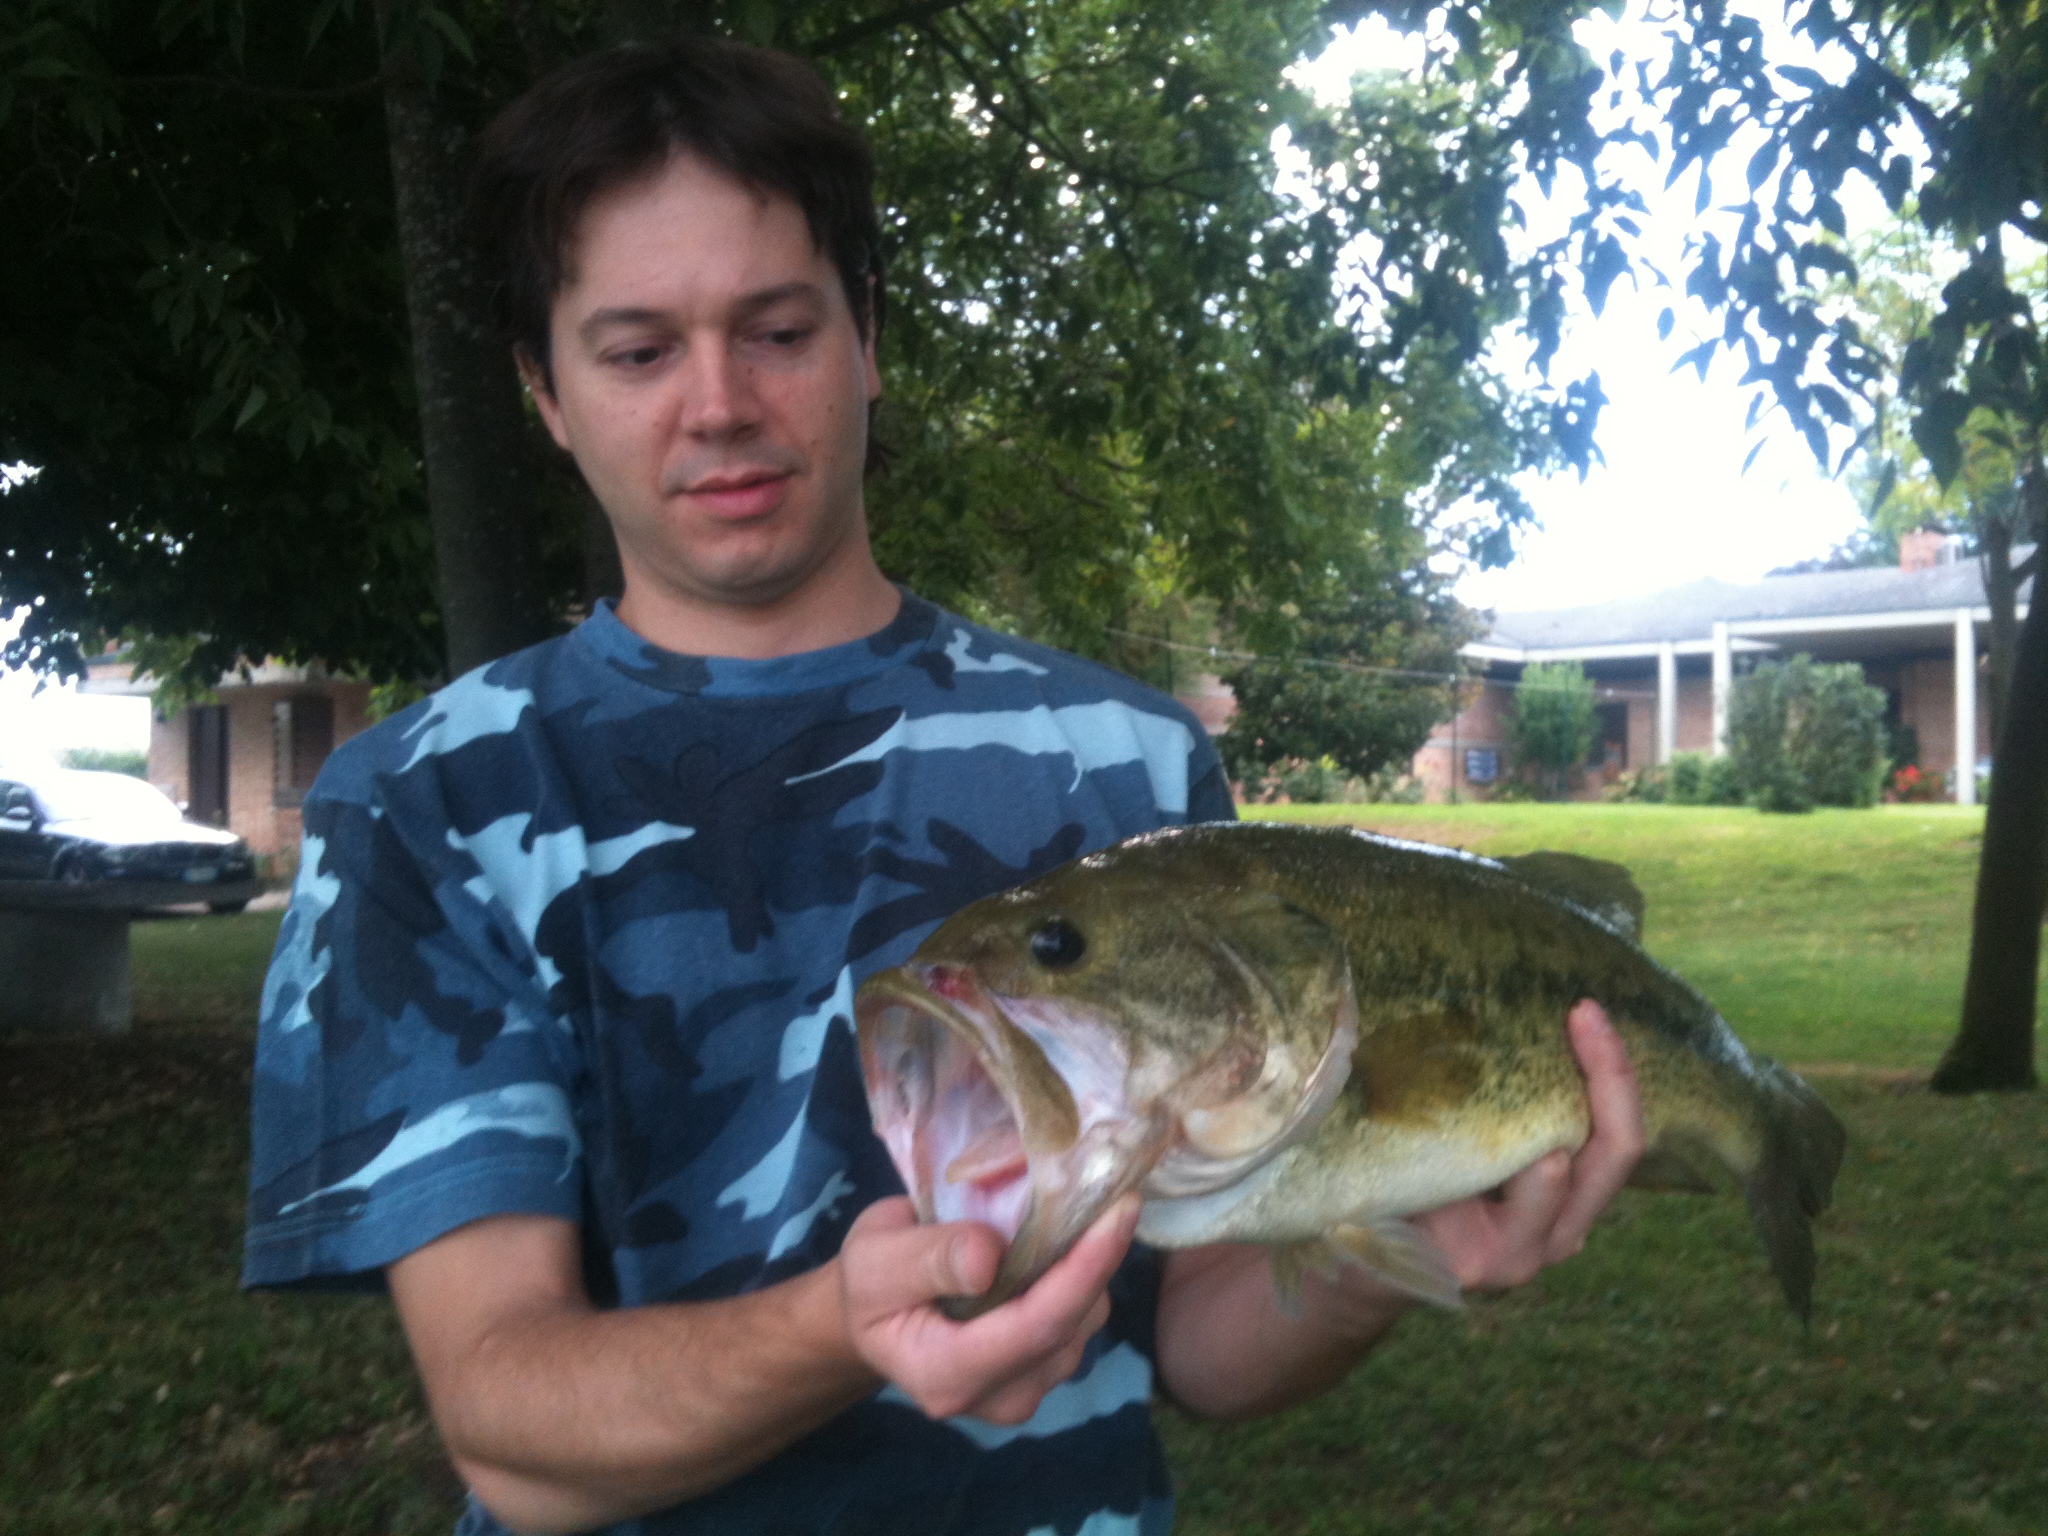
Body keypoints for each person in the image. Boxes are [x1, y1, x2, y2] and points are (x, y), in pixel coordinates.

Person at [241, 34, 1644, 1536]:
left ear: (868, 335)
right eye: (638, 351)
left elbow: (1197, 1344)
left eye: (779, 329)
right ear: (546, 391)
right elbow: (508, 1420)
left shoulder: (1131, 761)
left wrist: (1389, 1250)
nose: (718, 403)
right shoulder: (425, 806)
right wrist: (838, 1330)